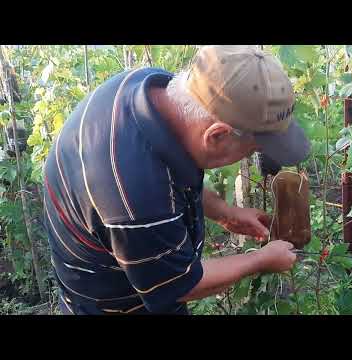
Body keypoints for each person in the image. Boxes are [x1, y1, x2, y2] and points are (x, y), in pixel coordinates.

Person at [43, 45, 311, 315]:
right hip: (115, 304)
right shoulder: (135, 194)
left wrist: (224, 212)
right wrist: (260, 259)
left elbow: (171, 172)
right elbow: (180, 285)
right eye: (253, 149)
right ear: (216, 136)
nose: (254, 154)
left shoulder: (153, 90)